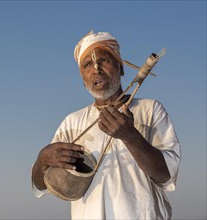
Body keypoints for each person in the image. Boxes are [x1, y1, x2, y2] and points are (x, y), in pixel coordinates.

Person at [31, 30, 181, 219]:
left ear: (121, 67)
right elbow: (40, 186)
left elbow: (166, 176)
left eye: (104, 60)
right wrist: (42, 160)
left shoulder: (150, 110)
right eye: (87, 65)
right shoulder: (72, 122)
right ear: (83, 80)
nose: (96, 69)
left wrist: (130, 136)